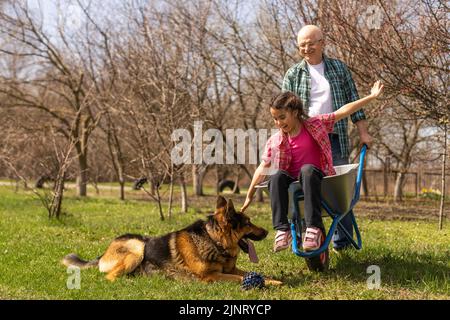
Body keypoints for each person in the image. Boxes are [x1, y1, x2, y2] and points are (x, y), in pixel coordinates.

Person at [241, 81, 383, 252]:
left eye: (282, 117)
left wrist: (371, 97)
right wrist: (250, 194)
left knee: (307, 169)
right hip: (293, 185)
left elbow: (343, 111)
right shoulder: (276, 140)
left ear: (295, 112)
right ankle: (282, 229)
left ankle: (313, 227)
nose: (278, 123)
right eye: (275, 118)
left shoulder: (316, 125)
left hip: (318, 180)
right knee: (277, 176)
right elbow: (263, 167)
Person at [281, 25, 372, 251]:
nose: (306, 48)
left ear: (323, 42)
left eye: (311, 43)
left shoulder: (338, 69)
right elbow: (283, 111)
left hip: (333, 138)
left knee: (340, 192)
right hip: (303, 139)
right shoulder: (293, 74)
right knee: (302, 186)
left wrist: (363, 132)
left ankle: (342, 243)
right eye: (302, 44)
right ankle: (305, 237)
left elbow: (353, 102)